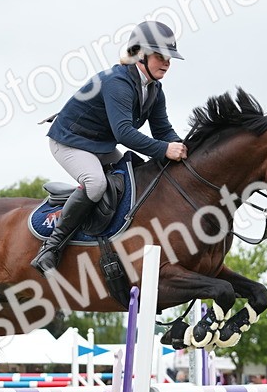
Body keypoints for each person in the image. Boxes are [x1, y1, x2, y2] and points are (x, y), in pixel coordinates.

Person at [31, 20, 187, 274]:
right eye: (161, 55)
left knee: (135, 176)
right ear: (141, 55)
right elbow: (124, 133)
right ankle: (51, 248)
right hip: (69, 141)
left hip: (99, 144)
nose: (167, 62)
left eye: (170, 57)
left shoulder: (155, 89)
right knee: (96, 183)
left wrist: (183, 147)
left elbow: (163, 132)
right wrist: (163, 150)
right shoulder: (118, 82)